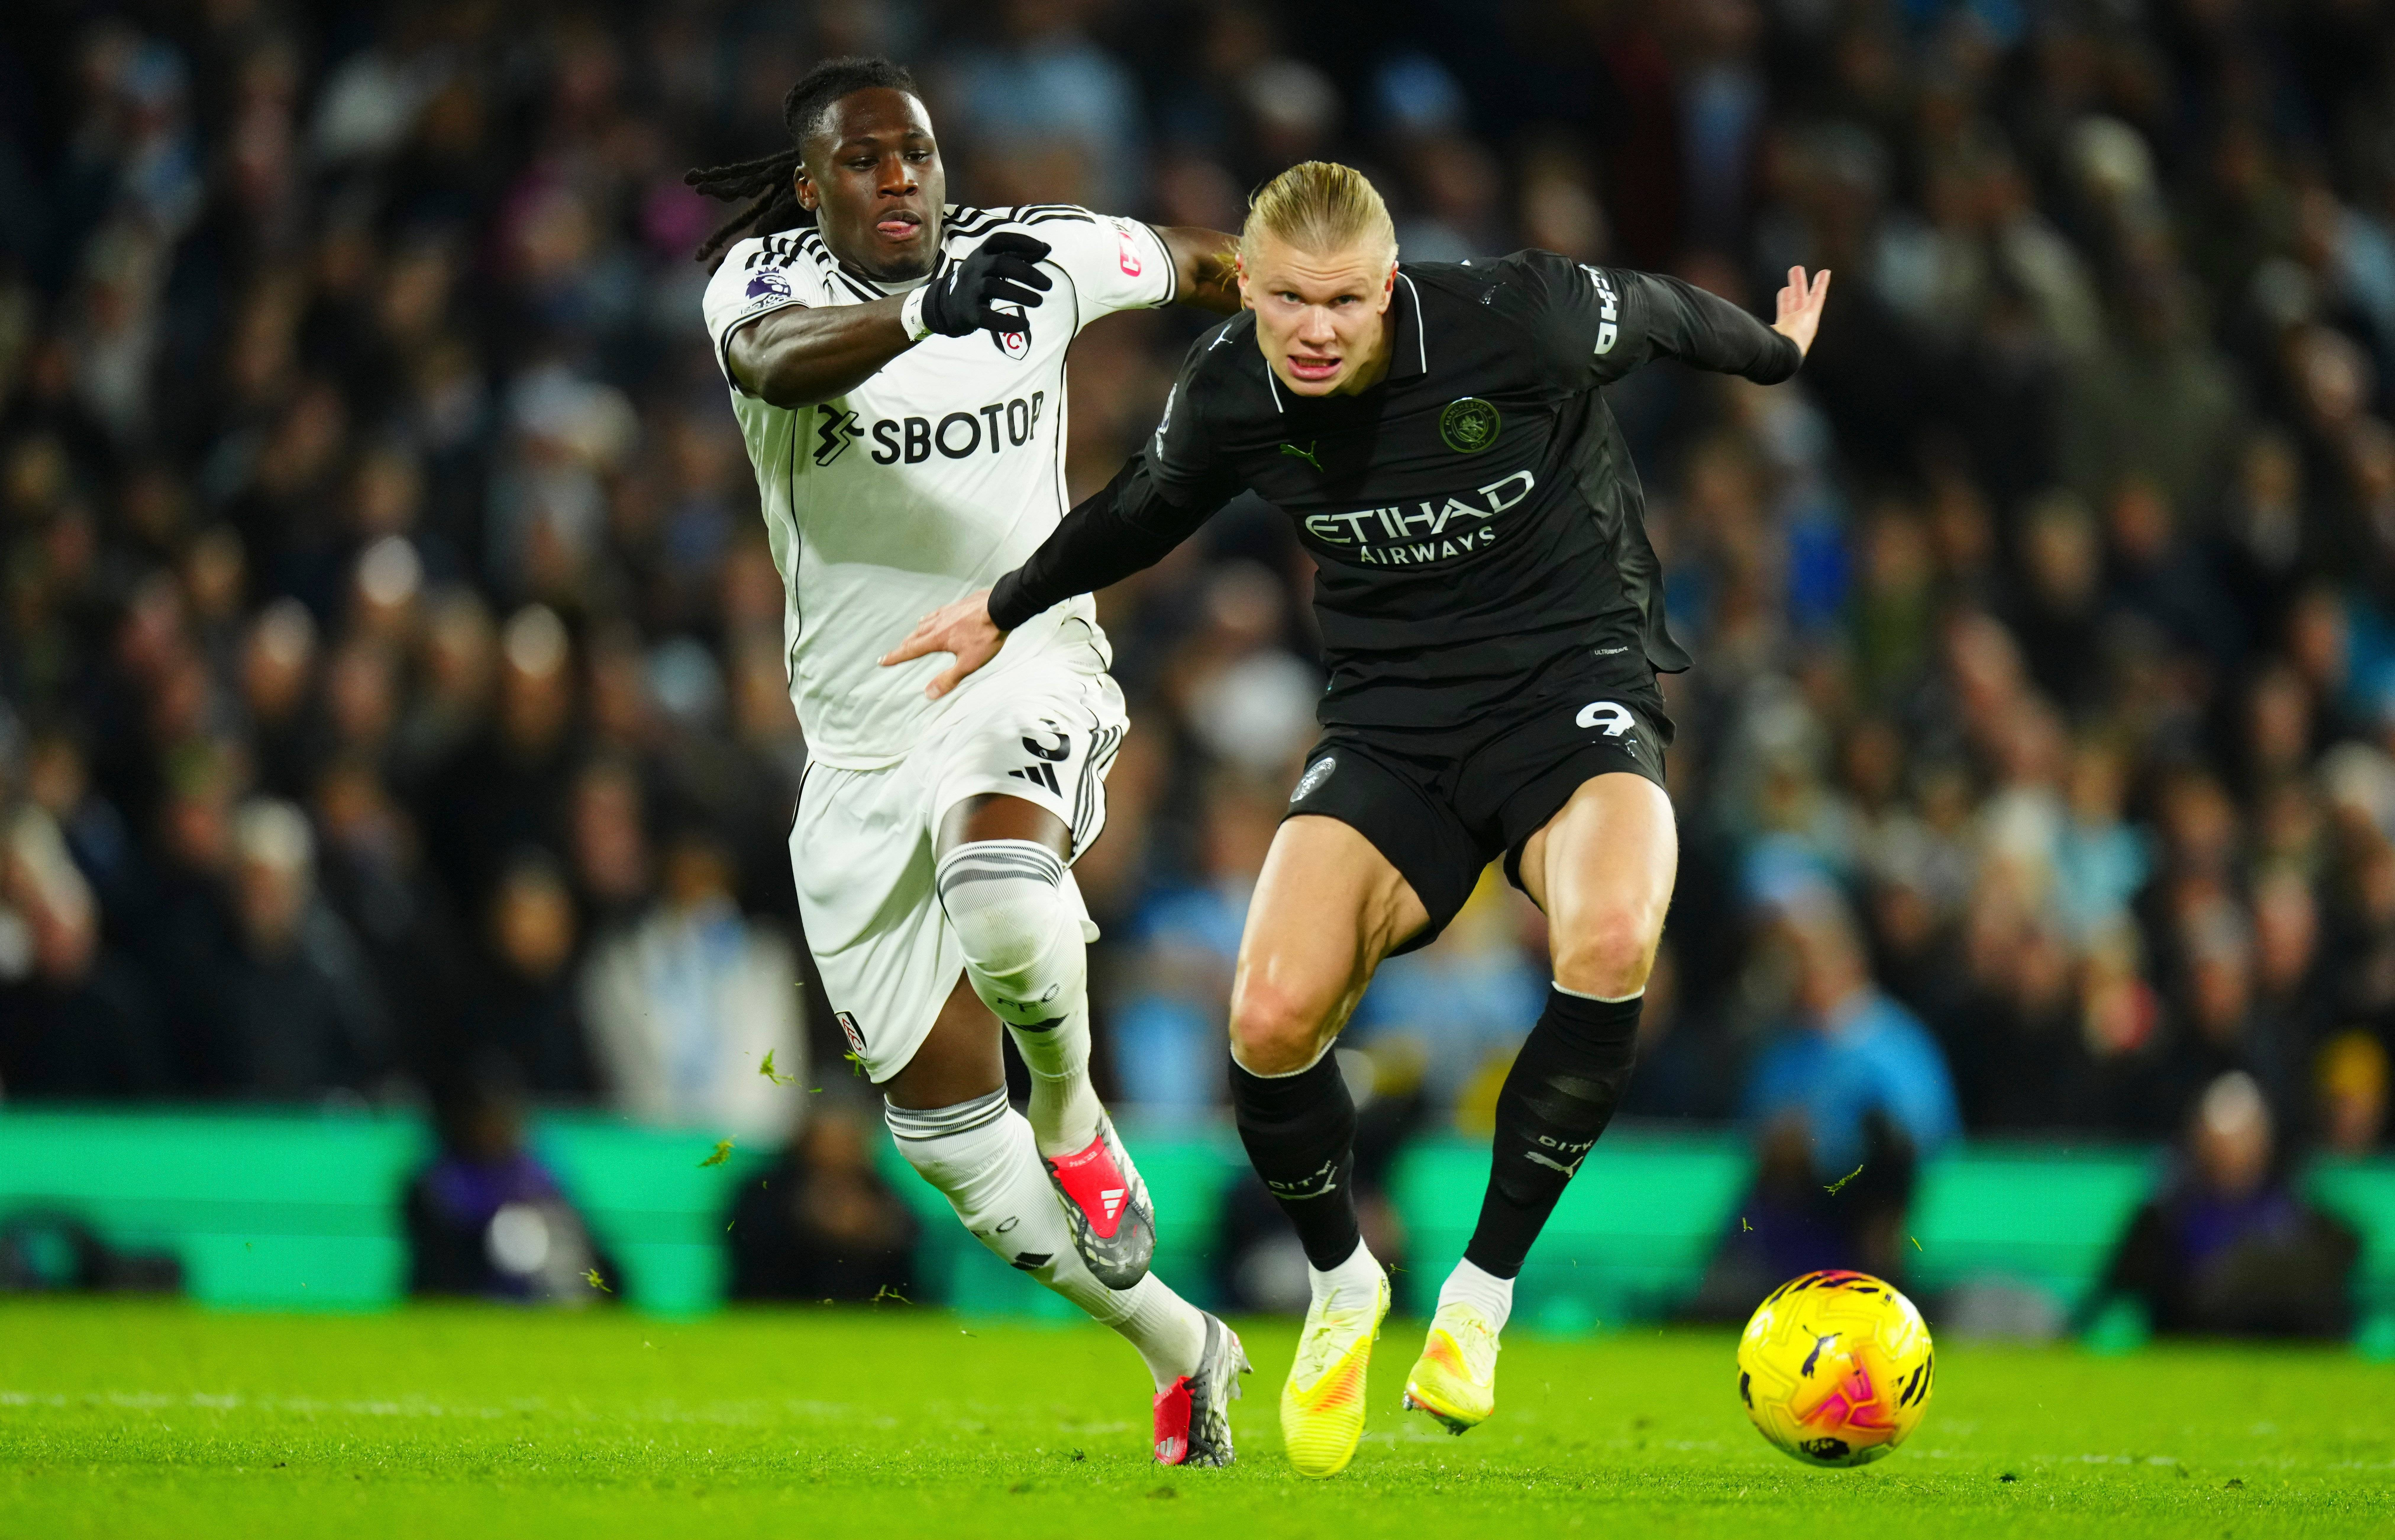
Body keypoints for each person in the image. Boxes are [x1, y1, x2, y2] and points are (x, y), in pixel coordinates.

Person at [888, 159, 1831, 1476]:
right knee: (1269, 1020)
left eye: (1341, 301)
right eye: (1285, 301)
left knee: (1613, 939)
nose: (1315, 329)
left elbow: (1666, 313)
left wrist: (1777, 357)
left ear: (1387, 287)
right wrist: (1004, 605)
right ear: (1251, 290)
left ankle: (1480, 1298)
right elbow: (1142, 514)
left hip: (1572, 688)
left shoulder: (1519, 318)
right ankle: (1344, 1283)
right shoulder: (1231, 388)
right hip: (1393, 721)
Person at [685, 55, 1248, 1466]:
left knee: (1003, 890)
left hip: (1021, 658)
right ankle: (1190, 1349)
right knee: (946, 1149)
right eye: (864, 162)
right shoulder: (759, 288)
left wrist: (1331, 297)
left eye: (917, 156)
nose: (899, 180)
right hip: (859, 748)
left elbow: (1192, 264)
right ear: (810, 186)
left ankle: (1077, 1115)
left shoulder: (1033, 258)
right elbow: (768, 364)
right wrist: (910, 315)